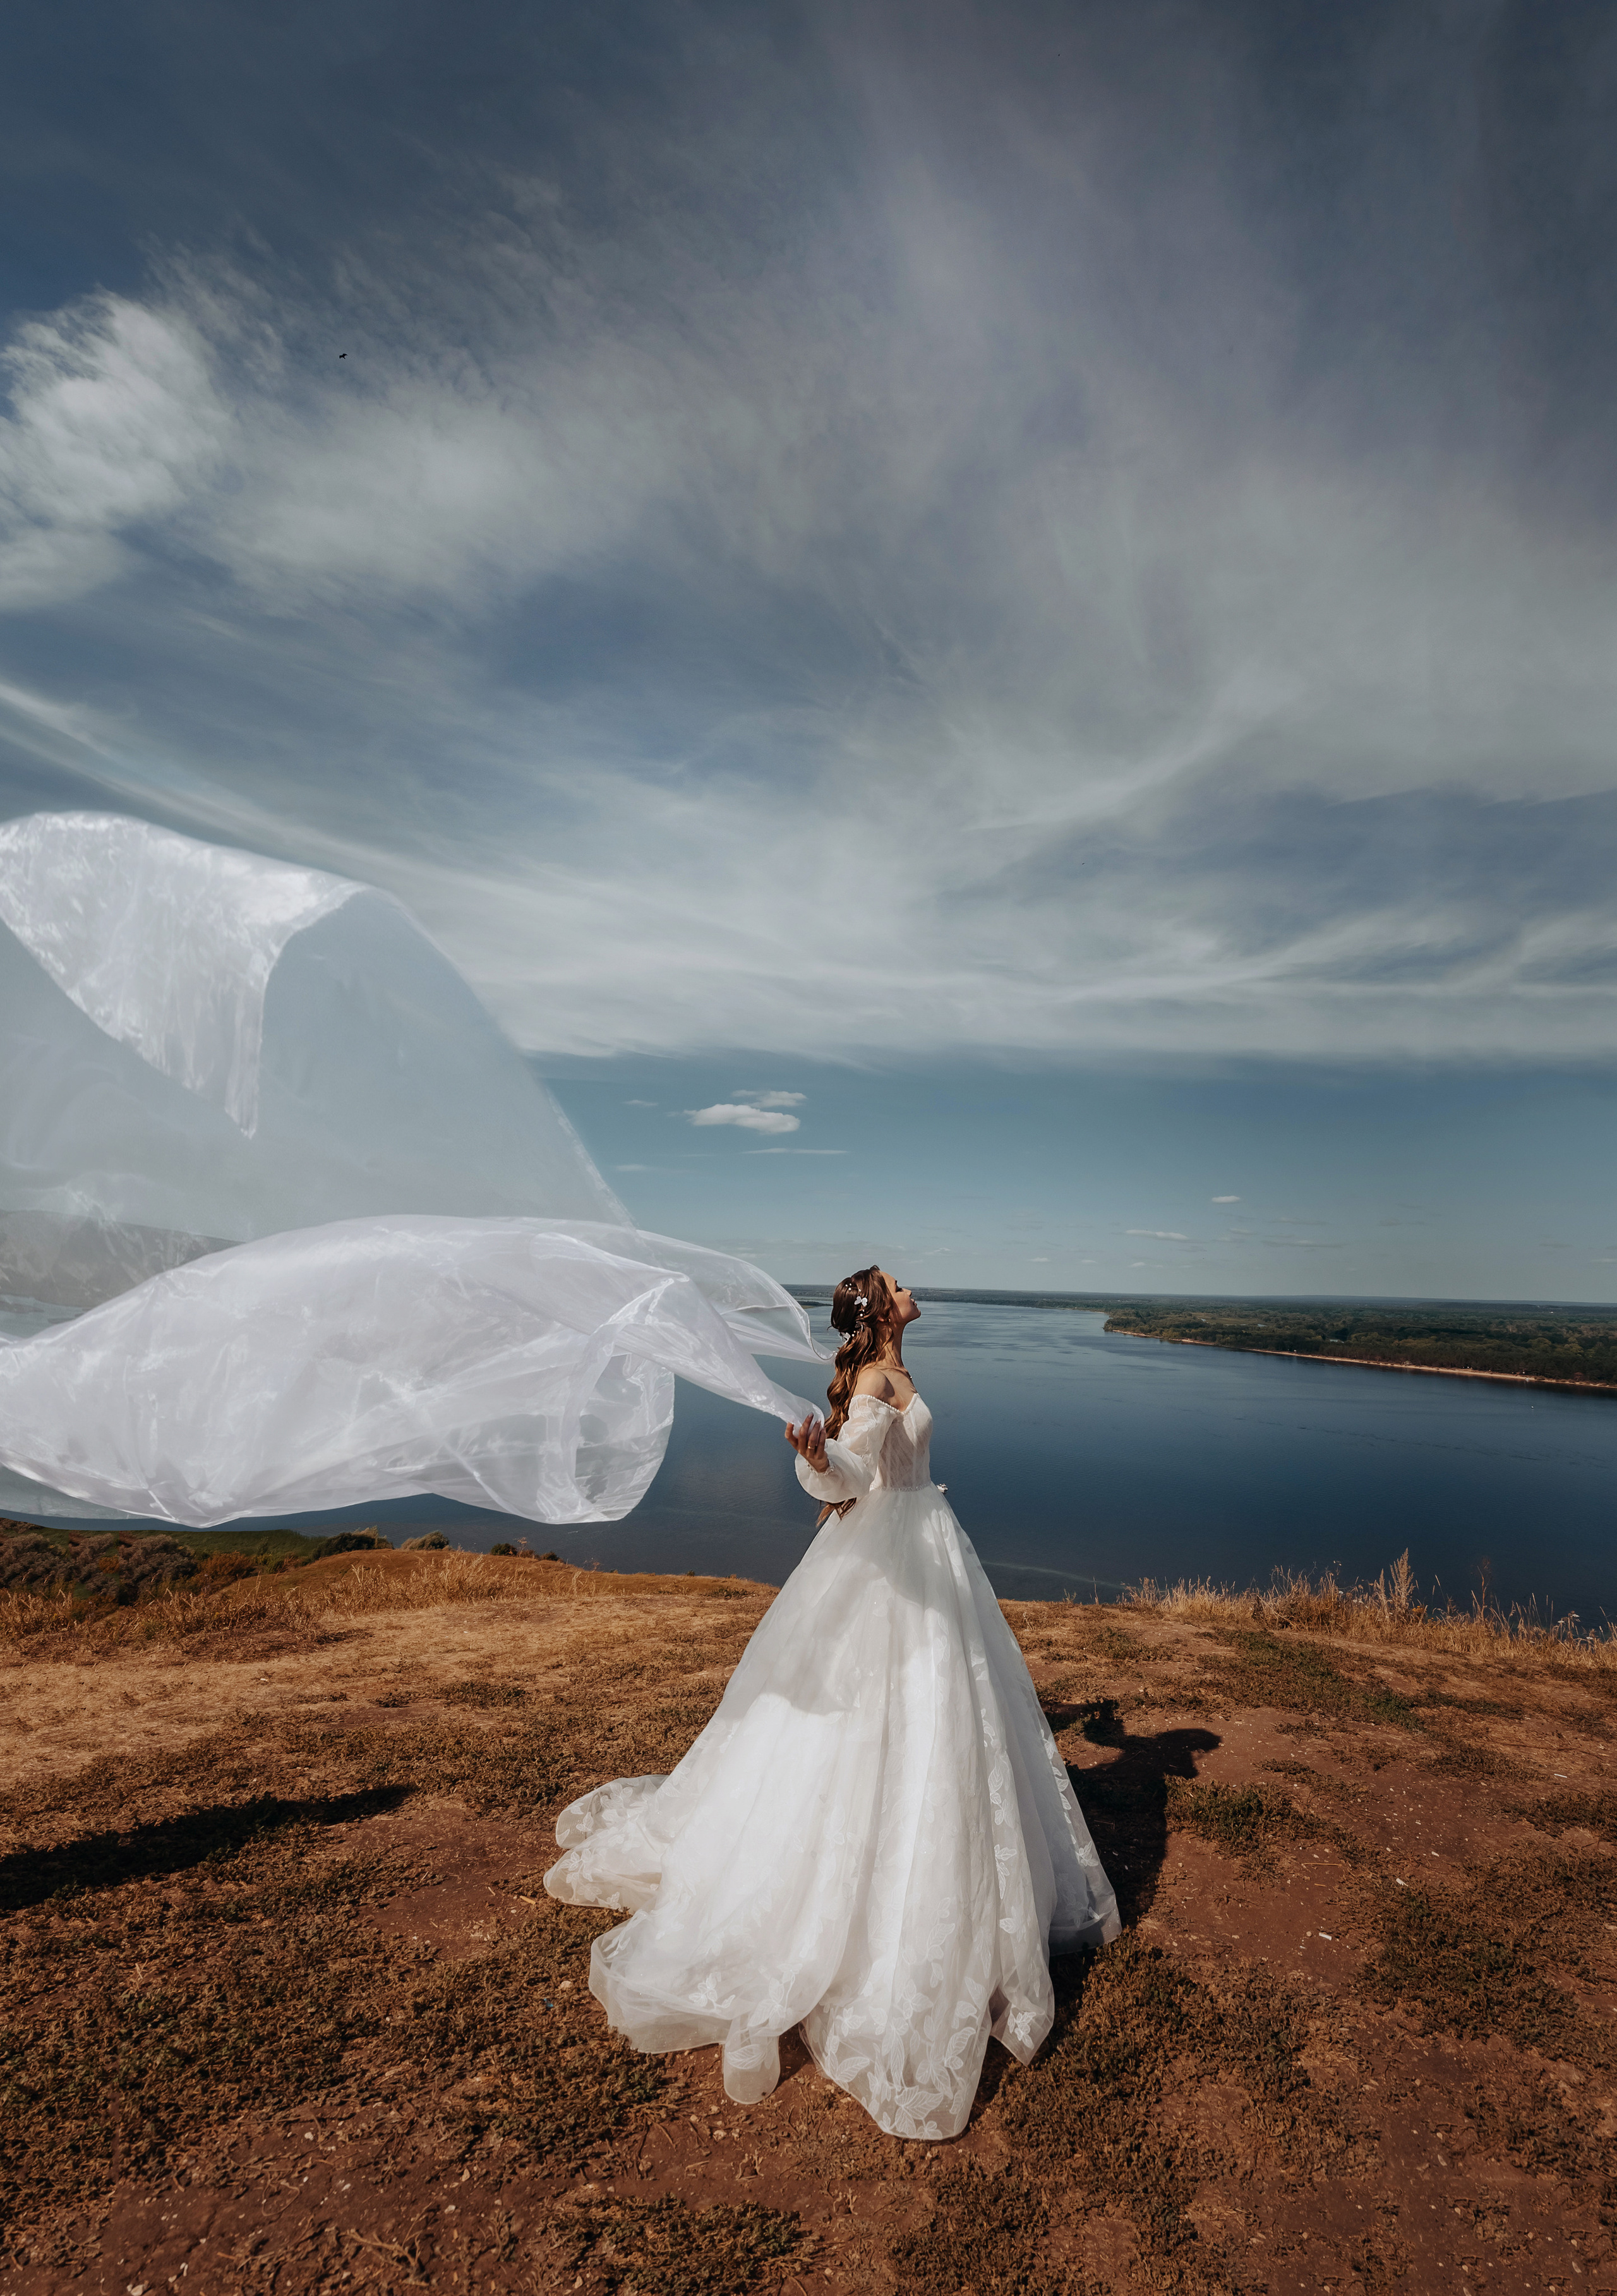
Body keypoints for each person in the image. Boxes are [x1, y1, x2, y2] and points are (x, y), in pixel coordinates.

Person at [544, 1265, 1120, 2140]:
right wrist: (818, 1459)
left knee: (941, 1711)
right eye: (897, 1280)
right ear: (883, 1309)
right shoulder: (877, 1381)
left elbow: (871, 1462)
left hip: (922, 1546)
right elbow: (850, 1468)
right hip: (898, 1563)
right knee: (893, 1712)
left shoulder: (889, 1370)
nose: (912, 1283)